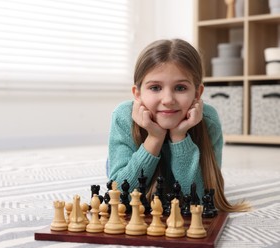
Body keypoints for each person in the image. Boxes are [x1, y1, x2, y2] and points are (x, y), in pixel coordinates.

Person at [107, 39, 249, 212]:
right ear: (137, 94)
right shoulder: (123, 116)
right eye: (155, 87)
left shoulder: (208, 119)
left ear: (197, 93)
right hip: (128, 163)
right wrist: (154, 138)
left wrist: (179, 137)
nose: (168, 100)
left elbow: (203, 200)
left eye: (180, 88)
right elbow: (120, 194)